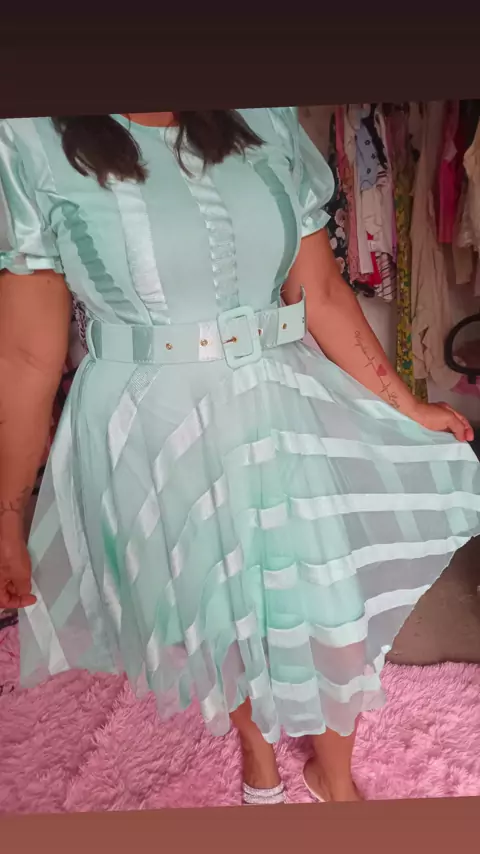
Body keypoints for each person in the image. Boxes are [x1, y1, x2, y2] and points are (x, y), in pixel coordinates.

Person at [0, 108, 479, 807]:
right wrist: (8, 516)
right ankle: (257, 746)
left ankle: (333, 776)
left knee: (325, 599)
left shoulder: (265, 116)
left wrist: (404, 403)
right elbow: (25, 355)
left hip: (275, 397)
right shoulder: (30, 139)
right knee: (214, 606)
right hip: (148, 425)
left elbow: (320, 292)